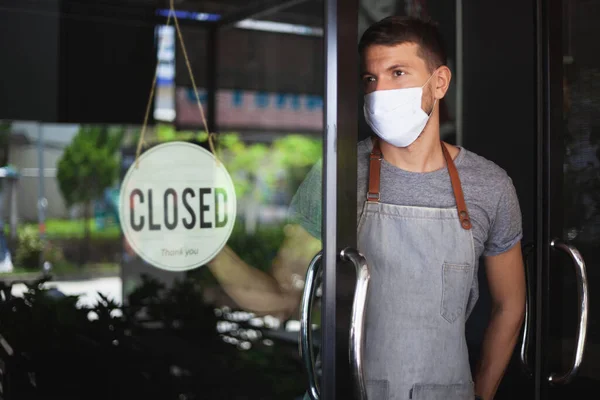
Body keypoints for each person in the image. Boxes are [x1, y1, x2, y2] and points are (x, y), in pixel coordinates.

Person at [208, 16, 525, 400]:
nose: (380, 91)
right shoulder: (337, 176)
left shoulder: (489, 186)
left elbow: (510, 305)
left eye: (397, 73)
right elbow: (280, 298)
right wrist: (209, 250)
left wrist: (483, 394)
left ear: (439, 82)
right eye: (370, 79)